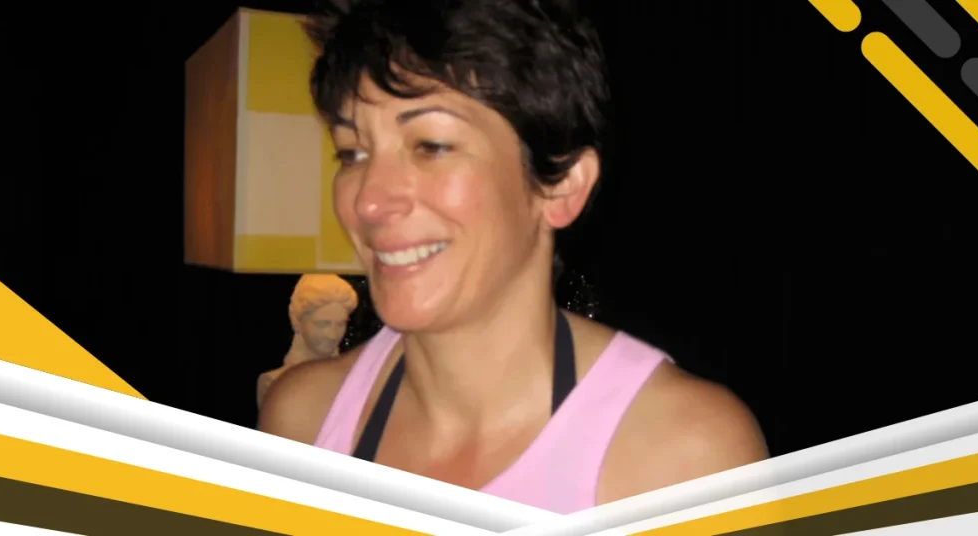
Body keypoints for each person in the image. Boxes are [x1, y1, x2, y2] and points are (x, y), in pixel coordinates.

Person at [259, 0, 768, 513]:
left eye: (431, 145)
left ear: (562, 186)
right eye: (352, 153)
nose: (369, 201)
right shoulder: (302, 422)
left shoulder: (686, 460)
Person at [257, 274, 357, 407]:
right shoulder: (274, 383)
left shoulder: (353, 380)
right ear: (297, 322)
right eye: (322, 324)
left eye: (340, 324)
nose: (332, 335)